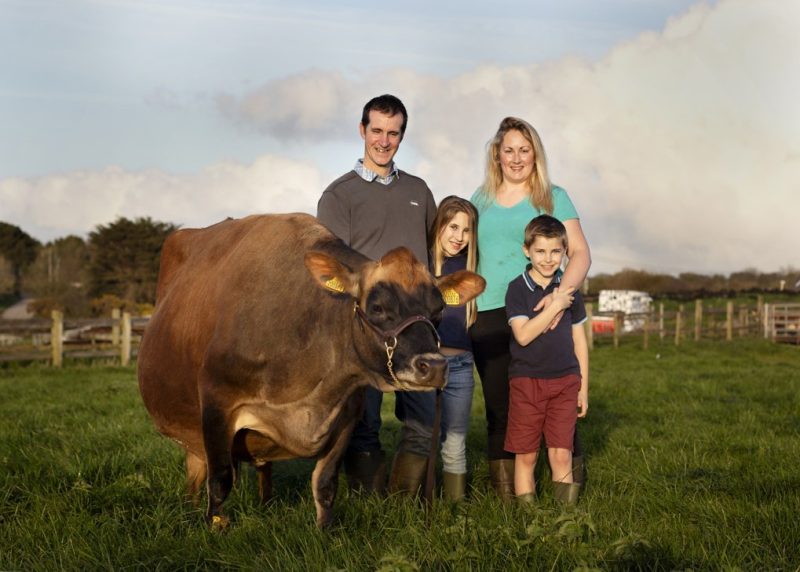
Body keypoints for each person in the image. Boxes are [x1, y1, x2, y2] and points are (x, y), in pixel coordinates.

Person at [317, 94, 437, 495]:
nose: (384, 141)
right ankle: (368, 503)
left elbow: (432, 257)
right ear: (362, 131)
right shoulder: (338, 196)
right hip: (368, 329)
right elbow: (335, 270)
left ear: (402, 136)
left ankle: (404, 503)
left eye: (394, 133)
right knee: (363, 423)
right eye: (377, 131)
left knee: (422, 419)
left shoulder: (419, 191)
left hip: (415, 330)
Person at [470, 117, 591, 498]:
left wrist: (559, 299)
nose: (517, 157)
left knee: (556, 393)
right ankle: (511, 501)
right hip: (489, 313)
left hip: (546, 309)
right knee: (501, 408)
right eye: (509, 149)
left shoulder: (554, 196)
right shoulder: (480, 200)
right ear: (497, 154)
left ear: (535, 154)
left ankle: (567, 489)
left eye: (525, 149)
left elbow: (581, 253)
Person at [504, 215, 589, 505]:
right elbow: (524, 336)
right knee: (526, 455)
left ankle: (565, 522)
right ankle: (529, 525)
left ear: (565, 251)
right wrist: (555, 306)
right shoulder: (516, 289)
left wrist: (583, 388)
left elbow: (580, 342)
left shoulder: (571, 291)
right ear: (527, 250)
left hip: (566, 382)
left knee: (561, 453)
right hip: (527, 382)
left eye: (555, 251)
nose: (548, 258)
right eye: (540, 251)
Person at [429, 196, 479, 501]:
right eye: (453, 227)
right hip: (425, 365)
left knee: (455, 441)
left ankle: (455, 509)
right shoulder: (420, 263)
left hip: (461, 367)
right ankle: (411, 503)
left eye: (466, 230)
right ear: (439, 226)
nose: (458, 237)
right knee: (420, 438)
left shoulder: (469, 268)